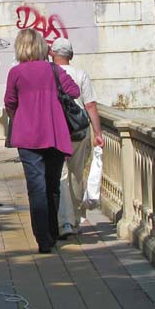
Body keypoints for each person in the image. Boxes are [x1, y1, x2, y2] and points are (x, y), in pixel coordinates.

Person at [3, 29, 80, 253]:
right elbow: (74, 91)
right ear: (40, 46)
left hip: (27, 137)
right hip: (55, 134)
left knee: (36, 188)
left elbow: (10, 102)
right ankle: (53, 232)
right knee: (52, 185)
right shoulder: (53, 69)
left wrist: (20, 117)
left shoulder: (15, 72)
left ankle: (43, 239)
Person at [50, 37, 104, 239]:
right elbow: (90, 106)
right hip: (79, 131)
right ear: (71, 55)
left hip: (57, 131)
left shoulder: (49, 73)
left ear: (52, 54)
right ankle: (77, 218)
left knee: (61, 175)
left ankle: (64, 221)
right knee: (76, 173)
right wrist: (98, 133)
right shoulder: (81, 75)